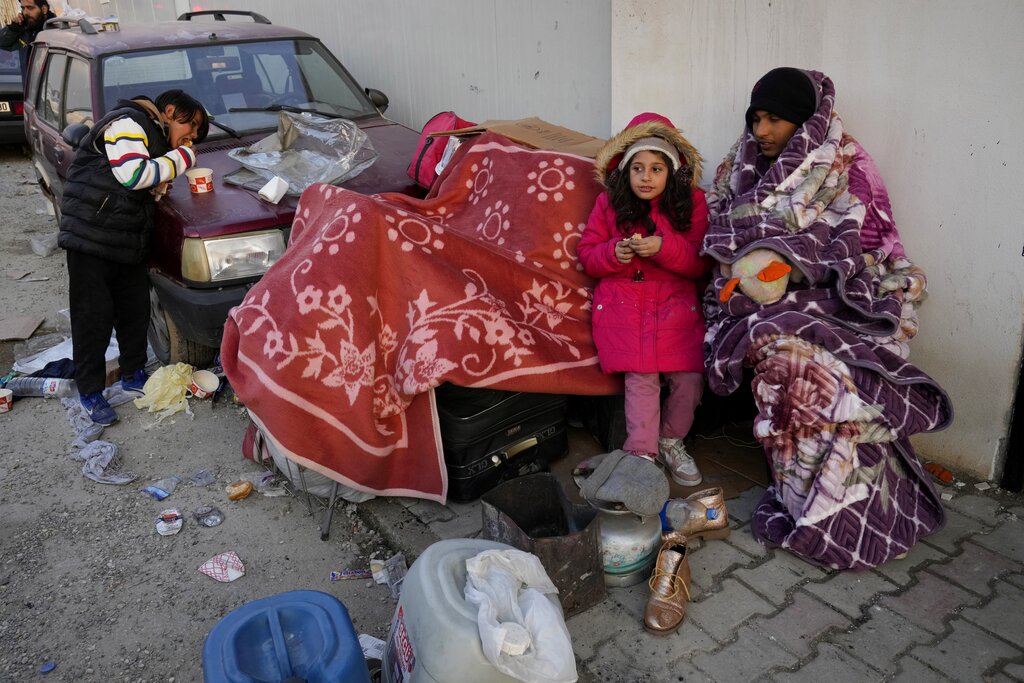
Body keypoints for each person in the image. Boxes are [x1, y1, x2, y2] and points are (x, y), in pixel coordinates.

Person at [701, 68, 952, 569]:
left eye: (774, 119)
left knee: (830, 377)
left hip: (833, 299)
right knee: (787, 366)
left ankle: (849, 509)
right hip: (758, 304)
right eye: (756, 118)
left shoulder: (847, 165)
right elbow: (720, 233)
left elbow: (872, 247)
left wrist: (807, 265)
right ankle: (805, 504)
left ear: (803, 121)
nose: (762, 131)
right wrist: (756, 271)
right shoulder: (740, 166)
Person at [576, 112, 711, 513]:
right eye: (638, 168)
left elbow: (699, 263)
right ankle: (641, 453)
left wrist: (664, 247)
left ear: (672, 171)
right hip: (626, 305)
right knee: (642, 379)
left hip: (673, 306)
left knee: (688, 378)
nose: (646, 177)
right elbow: (588, 255)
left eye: (656, 168)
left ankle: (671, 440)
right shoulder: (608, 203)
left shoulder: (694, 204)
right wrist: (613, 254)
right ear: (625, 170)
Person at [58, 90, 208, 425]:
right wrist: (185, 159)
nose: (193, 136)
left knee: (134, 311)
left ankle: (133, 374)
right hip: (90, 238)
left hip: (125, 240)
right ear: (169, 111)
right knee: (93, 317)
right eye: (192, 125)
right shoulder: (128, 123)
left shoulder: (153, 137)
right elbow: (133, 175)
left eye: (197, 134)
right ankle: (91, 392)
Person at [0, 0, 55, 86]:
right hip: (31, 94)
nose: (25, 12)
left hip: (49, 93)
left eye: (30, 8)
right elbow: (3, 43)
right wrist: (14, 29)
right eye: (23, 8)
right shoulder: (25, 30)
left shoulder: (54, 32)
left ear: (44, 9)